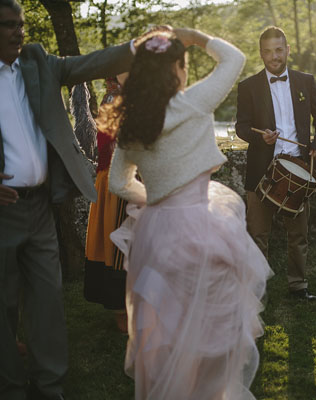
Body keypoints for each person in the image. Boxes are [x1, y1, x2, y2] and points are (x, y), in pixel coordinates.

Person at [106, 28, 271, 399]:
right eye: (184, 64)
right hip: (201, 225)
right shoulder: (194, 102)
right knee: (215, 330)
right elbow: (235, 59)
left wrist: (153, 197)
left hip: (156, 231)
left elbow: (118, 184)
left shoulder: (131, 126)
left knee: (168, 328)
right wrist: (194, 37)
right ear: (178, 69)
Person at [0, 0, 134, 398]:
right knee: (5, 306)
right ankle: (10, 385)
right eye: (7, 25)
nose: (17, 31)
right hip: (2, 214)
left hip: (41, 206)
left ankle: (50, 386)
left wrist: (143, 43)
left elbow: (88, 64)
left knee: (48, 300)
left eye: (20, 23)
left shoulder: (36, 61)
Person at [235, 26, 316, 300]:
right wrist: (259, 137)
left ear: (287, 50)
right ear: (261, 54)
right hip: (261, 169)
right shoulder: (248, 86)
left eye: (278, 50)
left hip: (298, 168)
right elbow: (241, 127)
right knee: (258, 235)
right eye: (268, 52)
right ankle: (257, 292)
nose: (274, 56)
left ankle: (298, 286)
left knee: (298, 235)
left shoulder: (305, 81)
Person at [82, 74, 129, 333]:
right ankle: (120, 311)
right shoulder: (114, 98)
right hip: (115, 179)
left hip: (134, 177)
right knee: (118, 247)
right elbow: (113, 143)